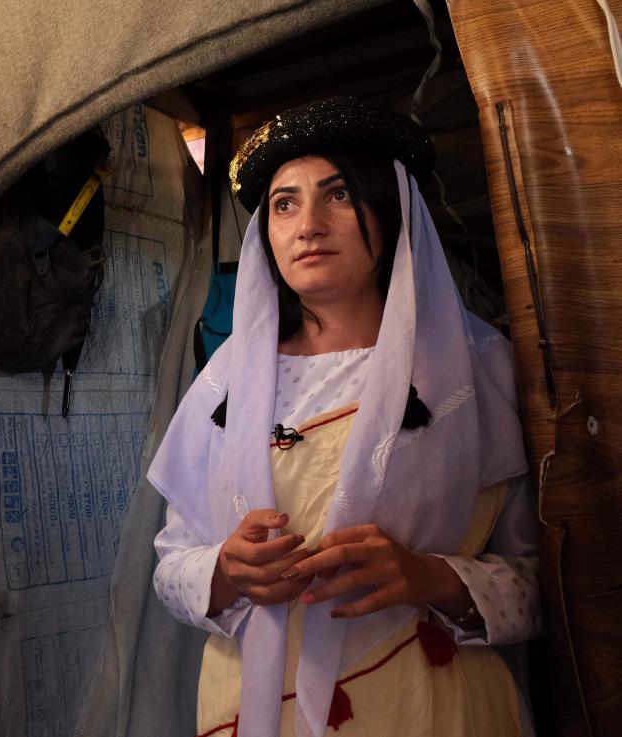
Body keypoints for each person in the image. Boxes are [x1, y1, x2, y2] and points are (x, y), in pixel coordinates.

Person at [148, 97, 540, 737]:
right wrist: (222, 571)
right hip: (256, 704)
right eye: (284, 203)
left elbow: (540, 586)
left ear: (388, 213)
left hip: (427, 707)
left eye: (337, 195)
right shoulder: (225, 387)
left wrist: (427, 576)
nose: (307, 224)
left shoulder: (470, 372)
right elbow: (170, 568)